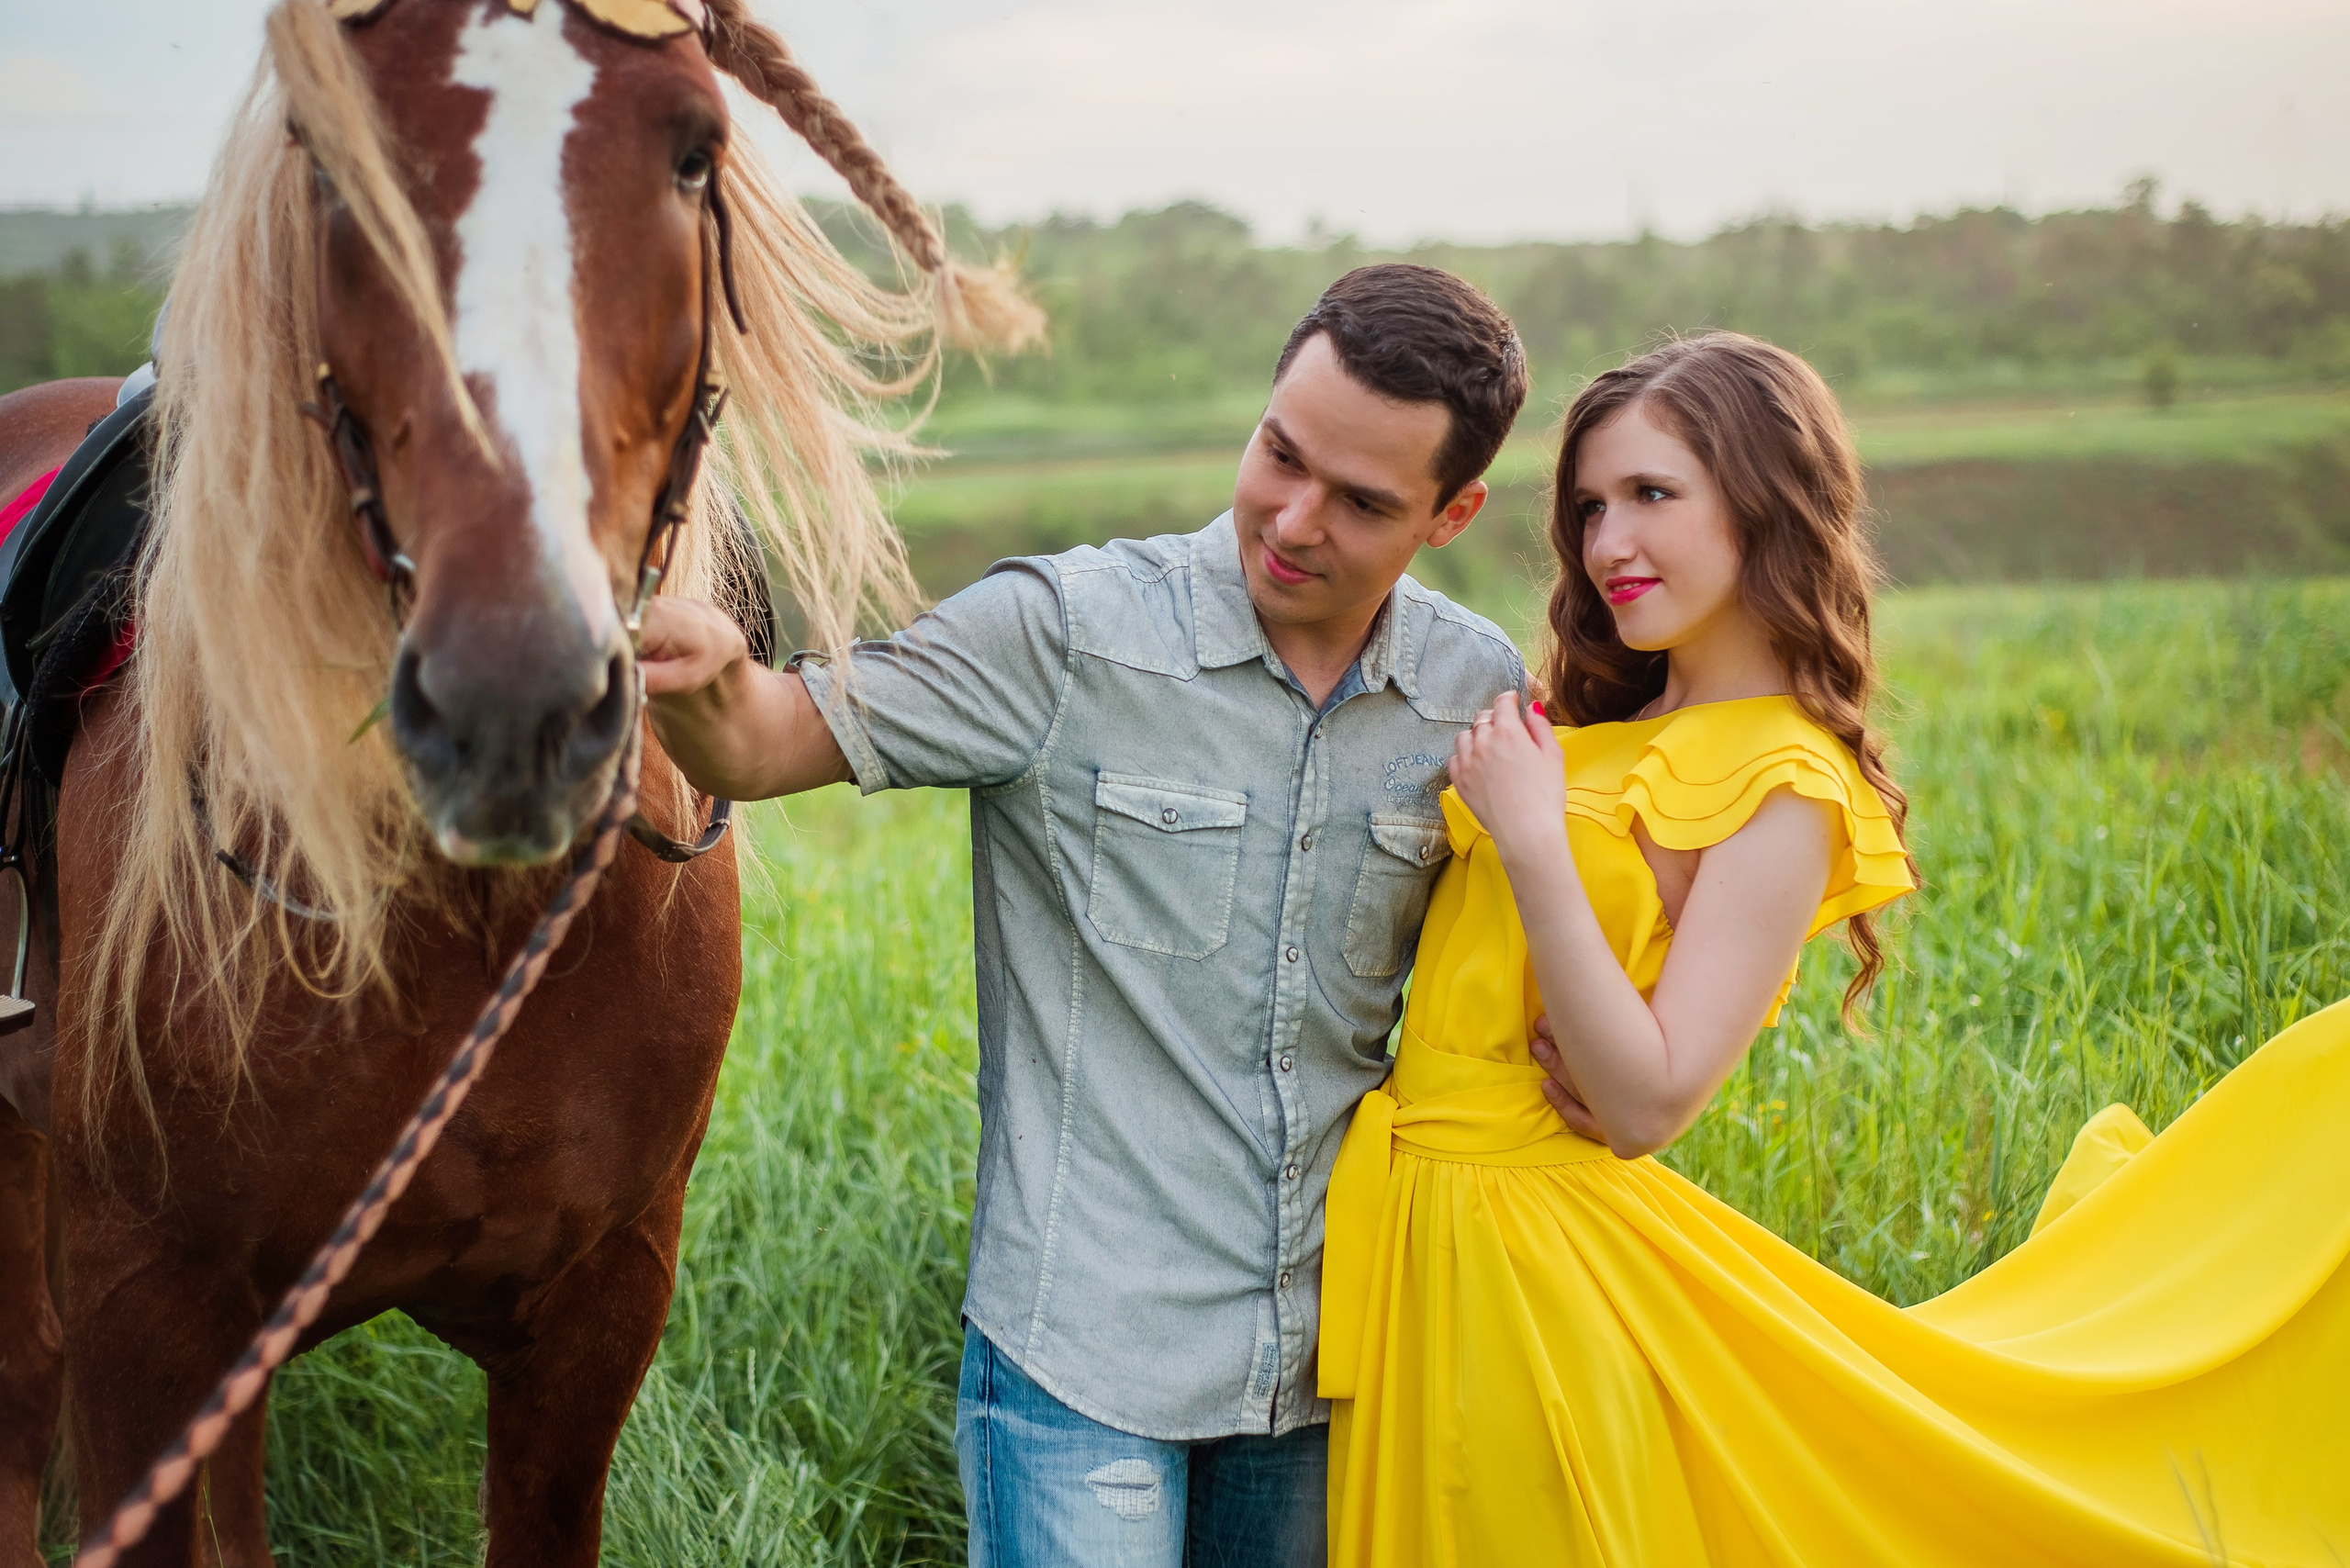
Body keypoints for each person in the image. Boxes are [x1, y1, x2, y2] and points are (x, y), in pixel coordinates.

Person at [1317, 330, 2350, 1565]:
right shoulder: (1582, 727)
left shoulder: (1786, 783)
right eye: (1591, 506)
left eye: (1653, 495)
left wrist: (1536, 847)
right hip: (1408, 1231)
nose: (1608, 545)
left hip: (1529, 1259)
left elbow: (1648, 1098)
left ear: (1766, 498)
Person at [643, 263, 1530, 1566]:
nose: (1290, 518)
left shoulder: (1474, 693)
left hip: (1329, 1368)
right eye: (1278, 453)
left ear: (1451, 513)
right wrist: (713, 680)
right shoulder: (1065, 636)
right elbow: (773, 739)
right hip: (1082, 1369)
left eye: (1361, 502)